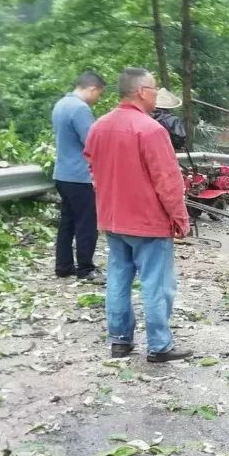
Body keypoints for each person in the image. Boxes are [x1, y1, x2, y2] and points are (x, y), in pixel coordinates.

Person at [84, 68, 192, 363]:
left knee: (118, 279)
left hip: (112, 219)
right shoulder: (151, 130)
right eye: (155, 89)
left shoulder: (99, 127)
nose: (156, 95)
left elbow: (92, 168)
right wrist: (181, 218)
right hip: (148, 222)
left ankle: (119, 340)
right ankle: (159, 346)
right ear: (142, 91)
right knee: (156, 284)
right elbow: (168, 181)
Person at [52, 71, 106, 283]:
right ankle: (86, 269)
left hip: (62, 174)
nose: (97, 100)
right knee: (87, 223)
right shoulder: (80, 109)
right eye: (98, 94)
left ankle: (63, 266)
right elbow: (92, 143)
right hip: (80, 176)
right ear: (92, 89)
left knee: (68, 221)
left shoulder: (61, 104)